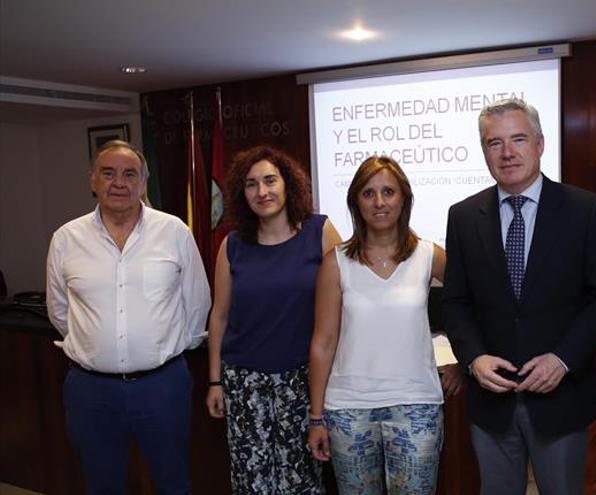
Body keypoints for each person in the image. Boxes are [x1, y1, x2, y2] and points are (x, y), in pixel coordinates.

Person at [442, 98, 596, 494]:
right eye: (495, 143)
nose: (507, 152)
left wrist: (563, 359)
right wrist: (473, 359)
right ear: (484, 150)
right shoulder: (463, 216)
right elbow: (455, 301)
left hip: (559, 398)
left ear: (540, 144)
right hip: (491, 401)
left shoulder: (583, 209)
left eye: (518, 139)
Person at [46, 140, 211, 495]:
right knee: (101, 485)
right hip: (91, 390)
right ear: (92, 180)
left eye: (129, 174)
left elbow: (197, 303)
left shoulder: (174, 232)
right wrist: (97, 346)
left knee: (173, 483)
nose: (119, 182)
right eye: (109, 173)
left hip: (162, 386)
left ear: (142, 183)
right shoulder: (65, 239)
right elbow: (60, 311)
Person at [308, 156, 462, 495]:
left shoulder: (428, 255)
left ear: (403, 198)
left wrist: (462, 359)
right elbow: (323, 341)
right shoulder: (337, 262)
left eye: (388, 191)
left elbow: (471, 305)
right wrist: (316, 417)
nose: (379, 202)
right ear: (356, 202)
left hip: (417, 405)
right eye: (368, 193)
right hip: (348, 410)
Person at [205, 146, 341, 494]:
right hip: (245, 382)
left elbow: (346, 303)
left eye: (270, 180)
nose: (262, 191)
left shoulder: (319, 231)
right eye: (251, 184)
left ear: (287, 184)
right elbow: (219, 315)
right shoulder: (232, 245)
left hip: (303, 382)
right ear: (241, 193)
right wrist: (215, 381)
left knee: (303, 481)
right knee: (252, 483)